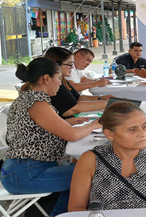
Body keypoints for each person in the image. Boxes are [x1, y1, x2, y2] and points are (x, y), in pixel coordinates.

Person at [1, 57, 101, 217]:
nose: (61, 84)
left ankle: (60, 213)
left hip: (22, 170)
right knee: (90, 173)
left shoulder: (28, 98)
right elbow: (73, 135)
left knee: (84, 170)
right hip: (26, 174)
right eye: (59, 79)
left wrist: (69, 122)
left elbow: (38, 129)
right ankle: (60, 214)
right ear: (46, 79)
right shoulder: (37, 102)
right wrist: (95, 124)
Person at [68, 102, 146, 211]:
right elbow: (76, 208)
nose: (142, 133)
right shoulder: (91, 159)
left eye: (144, 126)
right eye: (132, 129)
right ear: (109, 134)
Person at [44, 47, 113, 118]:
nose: (72, 67)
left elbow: (78, 97)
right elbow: (72, 109)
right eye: (70, 64)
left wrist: (101, 98)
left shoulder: (63, 80)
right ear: (56, 65)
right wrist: (107, 103)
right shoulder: (53, 84)